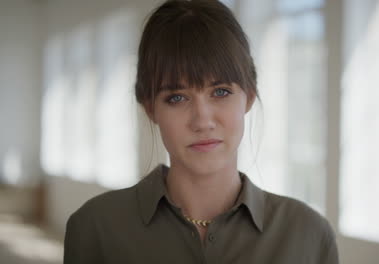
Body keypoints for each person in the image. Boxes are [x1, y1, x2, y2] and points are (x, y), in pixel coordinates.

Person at [63, 0, 339, 263]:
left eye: (221, 92)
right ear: (150, 107)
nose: (202, 120)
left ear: (249, 97)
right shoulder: (94, 229)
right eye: (177, 97)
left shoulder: (309, 237)